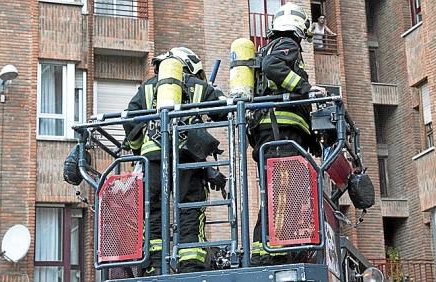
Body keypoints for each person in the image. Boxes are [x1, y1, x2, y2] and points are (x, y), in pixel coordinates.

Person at [124, 47, 226, 275]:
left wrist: (139, 150)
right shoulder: (198, 86)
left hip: (152, 160)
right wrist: (211, 99)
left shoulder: (148, 86)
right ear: (189, 67)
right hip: (186, 158)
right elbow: (224, 112)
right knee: (190, 209)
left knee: (154, 211)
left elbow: (130, 122)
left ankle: (154, 265)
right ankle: (191, 263)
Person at [247, 2, 326, 267]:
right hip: (279, 131)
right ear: (298, 25)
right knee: (283, 191)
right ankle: (274, 250)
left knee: (276, 192)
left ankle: (265, 249)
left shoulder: (272, 45)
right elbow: (272, 67)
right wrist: (305, 87)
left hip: (275, 132)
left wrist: (312, 139)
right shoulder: (286, 44)